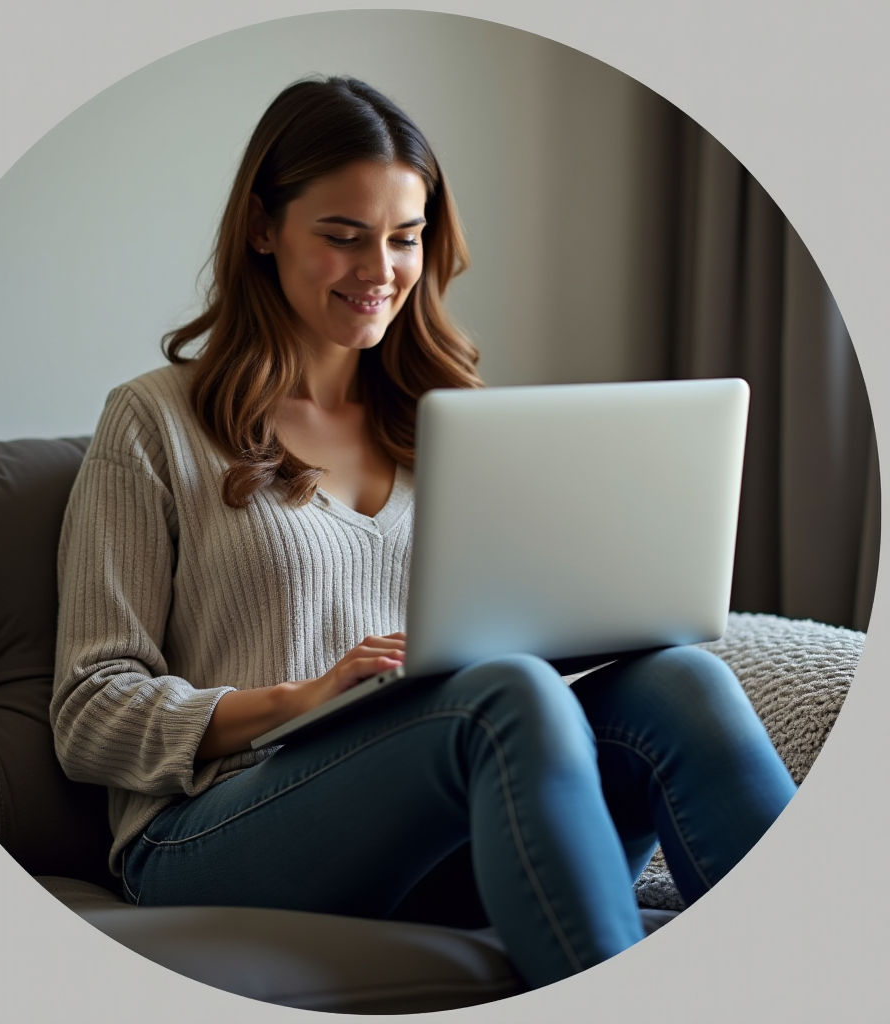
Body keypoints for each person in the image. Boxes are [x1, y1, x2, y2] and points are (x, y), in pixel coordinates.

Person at [51, 76, 797, 991]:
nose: (379, 272)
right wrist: (303, 698)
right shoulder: (152, 422)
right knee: (505, 696)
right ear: (261, 226)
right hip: (207, 831)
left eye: (404, 239)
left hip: (434, 825)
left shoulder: (449, 423)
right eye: (343, 236)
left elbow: (508, 649)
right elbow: (89, 711)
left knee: (681, 681)